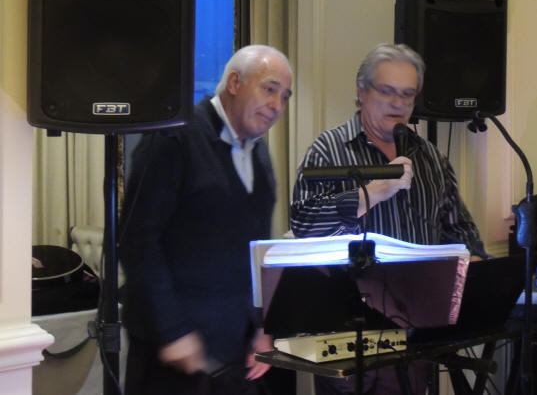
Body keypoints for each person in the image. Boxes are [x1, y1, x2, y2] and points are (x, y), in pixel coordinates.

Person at [290, 43, 487, 394]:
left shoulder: (430, 158)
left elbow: (459, 228)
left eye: (407, 95)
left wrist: (471, 259)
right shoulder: (328, 149)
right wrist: (372, 192)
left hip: (416, 334)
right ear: (361, 91)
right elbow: (304, 223)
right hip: (349, 337)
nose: (397, 104)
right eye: (387, 91)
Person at [120, 44, 293, 395]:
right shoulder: (173, 136)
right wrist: (173, 332)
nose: (277, 105)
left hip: (235, 349)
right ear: (234, 82)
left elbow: (255, 251)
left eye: (285, 97)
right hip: (171, 353)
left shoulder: (258, 151)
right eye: (269, 89)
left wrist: (262, 326)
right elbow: (137, 241)